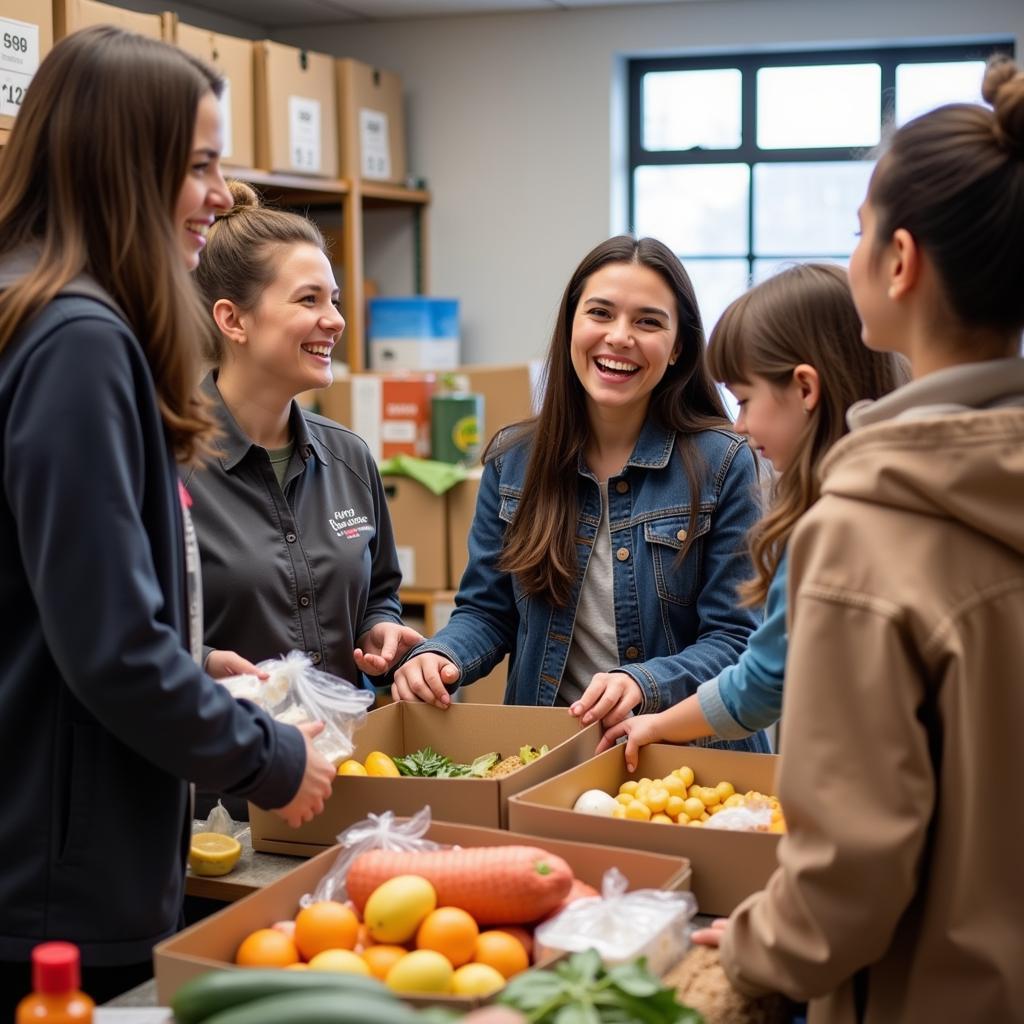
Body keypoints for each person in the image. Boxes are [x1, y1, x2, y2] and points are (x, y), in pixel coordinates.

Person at [0, 28, 335, 1012]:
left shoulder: (31, 305)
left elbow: (48, 603)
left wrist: (186, 658)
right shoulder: (77, 339)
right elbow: (106, 649)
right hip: (59, 872)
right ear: (123, 164)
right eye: (198, 165)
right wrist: (271, 758)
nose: (223, 196)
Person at [691, 56, 1024, 1022]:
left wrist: (751, 951)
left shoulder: (867, 529)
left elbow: (851, 871)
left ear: (900, 262)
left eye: (857, 234)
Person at [393, 235, 769, 753]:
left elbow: (737, 642)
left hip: (687, 763)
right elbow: (486, 611)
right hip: (552, 754)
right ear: (572, 323)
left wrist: (643, 681)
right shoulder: (514, 460)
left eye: (648, 321)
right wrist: (440, 657)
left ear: (678, 345)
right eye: (600, 313)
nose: (619, 337)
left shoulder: (722, 461)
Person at [595, 264, 907, 769]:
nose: (739, 424)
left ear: (805, 389)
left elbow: (761, 679)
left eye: (745, 399)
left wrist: (656, 722)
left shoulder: (827, 525)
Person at [186, 180, 421, 690]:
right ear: (233, 320)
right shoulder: (164, 461)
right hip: (226, 753)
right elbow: (130, 628)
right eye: (308, 300)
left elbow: (380, 590)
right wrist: (202, 661)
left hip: (348, 754)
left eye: (334, 300)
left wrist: (380, 626)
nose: (335, 321)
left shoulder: (348, 456)